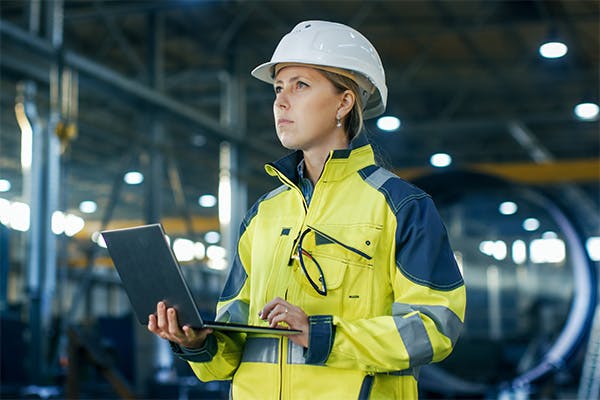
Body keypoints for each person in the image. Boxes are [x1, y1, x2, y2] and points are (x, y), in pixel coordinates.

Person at [148, 20, 466, 399]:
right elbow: (232, 346)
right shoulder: (263, 215)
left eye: (300, 85)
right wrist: (196, 342)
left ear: (344, 102)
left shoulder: (402, 207)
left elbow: (435, 328)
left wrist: (323, 336)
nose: (281, 101)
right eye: (279, 88)